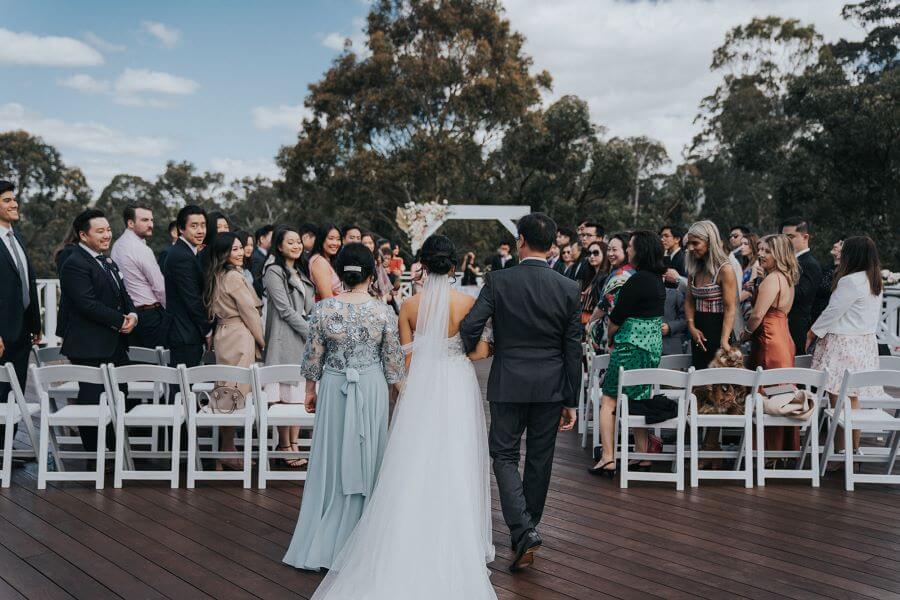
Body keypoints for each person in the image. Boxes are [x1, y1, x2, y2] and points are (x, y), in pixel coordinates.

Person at [309, 235, 495, 599]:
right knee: (457, 455)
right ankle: (457, 534)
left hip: (421, 386)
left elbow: (402, 362)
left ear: (422, 266)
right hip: (456, 383)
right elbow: (480, 354)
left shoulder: (409, 306)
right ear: (455, 266)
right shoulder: (469, 303)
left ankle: (408, 532)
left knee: (413, 457)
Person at [460, 213, 579, 573]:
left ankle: (523, 529)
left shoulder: (499, 280)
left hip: (508, 381)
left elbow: (469, 327)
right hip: (551, 385)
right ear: (553, 243)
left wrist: (488, 347)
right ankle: (526, 529)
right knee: (540, 459)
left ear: (521, 241)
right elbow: (572, 349)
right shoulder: (569, 288)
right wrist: (571, 400)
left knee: (505, 456)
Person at [283, 243, 405, 571]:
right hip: (370, 387)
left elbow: (313, 357)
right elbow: (393, 365)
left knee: (332, 456)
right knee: (369, 454)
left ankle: (323, 536)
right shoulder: (383, 311)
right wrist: (401, 394)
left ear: (342, 272)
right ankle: (363, 535)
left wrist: (311, 390)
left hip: (335, 385)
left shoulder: (323, 310)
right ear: (370, 274)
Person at [59, 209, 137, 451]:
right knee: (92, 400)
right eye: (100, 231)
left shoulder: (107, 261)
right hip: (89, 345)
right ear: (83, 235)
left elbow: (123, 295)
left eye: (108, 230)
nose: (107, 235)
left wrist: (132, 314)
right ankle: (95, 454)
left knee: (120, 396)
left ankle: (115, 451)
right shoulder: (75, 263)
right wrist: (119, 320)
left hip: (114, 343)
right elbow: (86, 303)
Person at [590, 230, 666, 475]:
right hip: (651, 348)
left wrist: (610, 338)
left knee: (608, 399)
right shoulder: (657, 280)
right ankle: (642, 454)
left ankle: (608, 457)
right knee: (640, 396)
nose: (629, 250)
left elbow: (616, 318)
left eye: (631, 246)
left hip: (630, 347)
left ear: (640, 250)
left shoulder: (636, 280)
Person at [809, 236, 885, 454]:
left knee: (838, 403)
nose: (841, 254)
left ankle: (842, 452)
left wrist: (812, 332)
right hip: (864, 345)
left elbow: (832, 312)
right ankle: (851, 451)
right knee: (852, 403)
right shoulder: (874, 279)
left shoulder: (850, 281)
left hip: (842, 344)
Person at [205, 232, 265, 469]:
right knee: (235, 392)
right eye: (234, 249)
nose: (239, 253)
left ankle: (226, 448)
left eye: (241, 248)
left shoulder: (217, 275)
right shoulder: (234, 277)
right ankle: (227, 449)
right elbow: (249, 311)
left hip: (223, 333)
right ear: (224, 253)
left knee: (225, 390)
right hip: (239, 334)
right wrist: (262, 340)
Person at [740, 234, 799, 452]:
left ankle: (765, 451)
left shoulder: (772, 280)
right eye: (761, 250)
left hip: (768, 342)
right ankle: (781, 451)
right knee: (781, 396)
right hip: (783, 339)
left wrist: (744, 334)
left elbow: (756, 316)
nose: (761, 254)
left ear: (780, 254)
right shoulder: (786, 278)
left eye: (767, 251)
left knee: (766, 396)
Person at [263, 226, 316, 467]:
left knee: (297, 395)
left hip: (302, 339)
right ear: (279, 246)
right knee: (284, 395)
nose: (296, 246)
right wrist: (310, 331)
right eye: (290, 242)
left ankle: (294, 443)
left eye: (298, 242)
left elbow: (308, 306)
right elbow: (284, 309)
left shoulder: (301, 271)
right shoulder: (274, 271)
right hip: (285, 338)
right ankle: (284, 444)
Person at [0, 181, 41, 447]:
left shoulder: (19, 238)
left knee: (16, 391)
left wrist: (36, 324)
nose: (14, 204)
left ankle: (7, 446)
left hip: (22, 331)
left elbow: (28, 282)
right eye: (6, 200)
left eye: (14, 199)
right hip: (2, 333)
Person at [111, 203, 170, 349]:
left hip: (129, 315)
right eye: (144, 220)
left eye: (151, 220)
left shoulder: (117, 245)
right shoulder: (141, 249)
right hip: (150, 316)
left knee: (136, 366)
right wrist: (170, 312)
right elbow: (159, 287)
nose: (150, 224)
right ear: (130, 223)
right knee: (158, 366)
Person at [163, 205, 210, 373]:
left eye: (203, 225)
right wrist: (208, 330)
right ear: (181, 229)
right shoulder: (181, 256)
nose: (200, 230)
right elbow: (192, 299)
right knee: (182, 389)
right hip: (184, 333)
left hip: (187, 332)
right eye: (194, 225)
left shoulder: (188, 252)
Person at [684, 221, 737, 372]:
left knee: (718, 383)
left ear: (710, 242)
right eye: (689, 243)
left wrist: (724, 340)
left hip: (718, 327)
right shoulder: (694, 268)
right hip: (698, 329)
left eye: (696, 243)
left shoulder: (724, 269)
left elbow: (730, 307)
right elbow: (689, 301)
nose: (691, 248)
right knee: (698, 379)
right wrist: (691, 326)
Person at [780, 217, 823, 354]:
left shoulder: (810, 264)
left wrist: (776, 286)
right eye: (783, 238)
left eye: (790, 237)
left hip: (798, 326)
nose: (785, 242)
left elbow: (803, 294)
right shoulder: (789, 262)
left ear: (805, 237)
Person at [586, 234, 634, 349]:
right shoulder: (630, 271)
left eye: (615, 250)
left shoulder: (621, 275)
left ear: (626, 250)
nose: (610, 254)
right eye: (608, 250)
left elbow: (604, 305)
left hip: (614, 334)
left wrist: (590, 322)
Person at [812, 236, 843, 325]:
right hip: (815, 314)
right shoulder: (827, 268)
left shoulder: (843, 273)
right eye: (837, 242)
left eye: (840, 244)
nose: (835, 244)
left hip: (826, 318)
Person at [309, 223, 343, 301]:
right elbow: (328, 300)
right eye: (331, 238)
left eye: (338, 239)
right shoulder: (319, 262)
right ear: (321, 239)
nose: (335, 243)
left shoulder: (328, 260)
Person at [580, 240, 609, 327]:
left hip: (593, 322)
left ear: (604, 253)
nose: (592, 256)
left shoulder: (605, 277)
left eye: (596, 253)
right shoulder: (590, 276)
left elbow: (602, 304)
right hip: (583, 321)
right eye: (589, 253)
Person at [252, 224, 274, 297]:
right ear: (262, 239)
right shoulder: (256, 257)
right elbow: (256, 281)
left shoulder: (266, 255)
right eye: (272, 237)